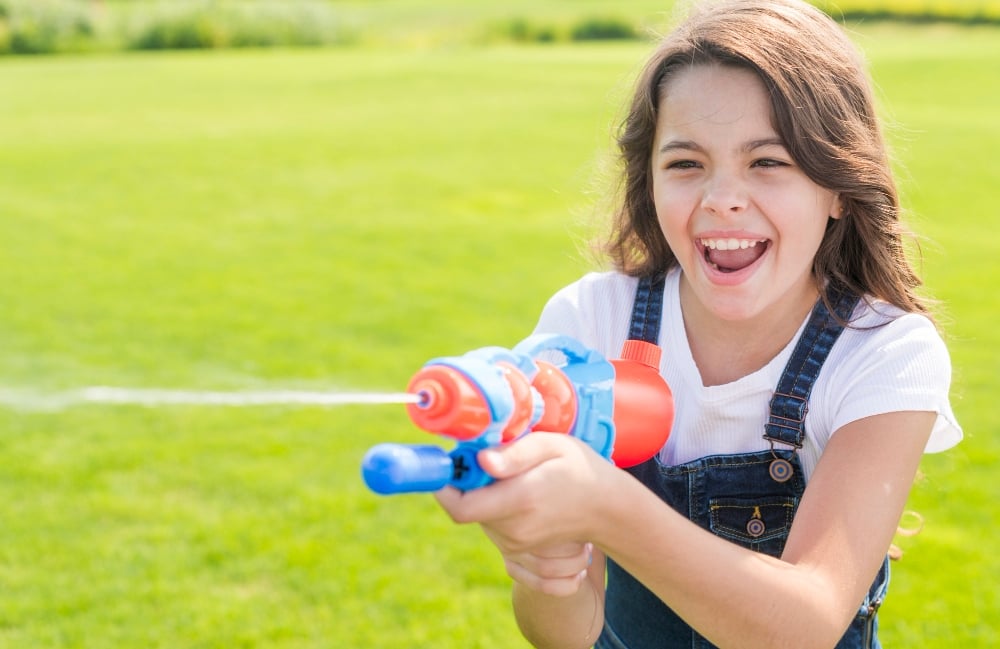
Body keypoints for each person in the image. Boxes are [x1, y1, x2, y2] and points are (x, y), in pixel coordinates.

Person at [434, 0, 963, 647]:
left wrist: (604, 503)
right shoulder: (590, 321)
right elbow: (565, 636)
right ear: (649, 181)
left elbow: (805, 624)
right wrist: (548, 563)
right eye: (686, 163)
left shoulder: (883, 352)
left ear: (838, 188)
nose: (722, 199)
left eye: (767, 161)